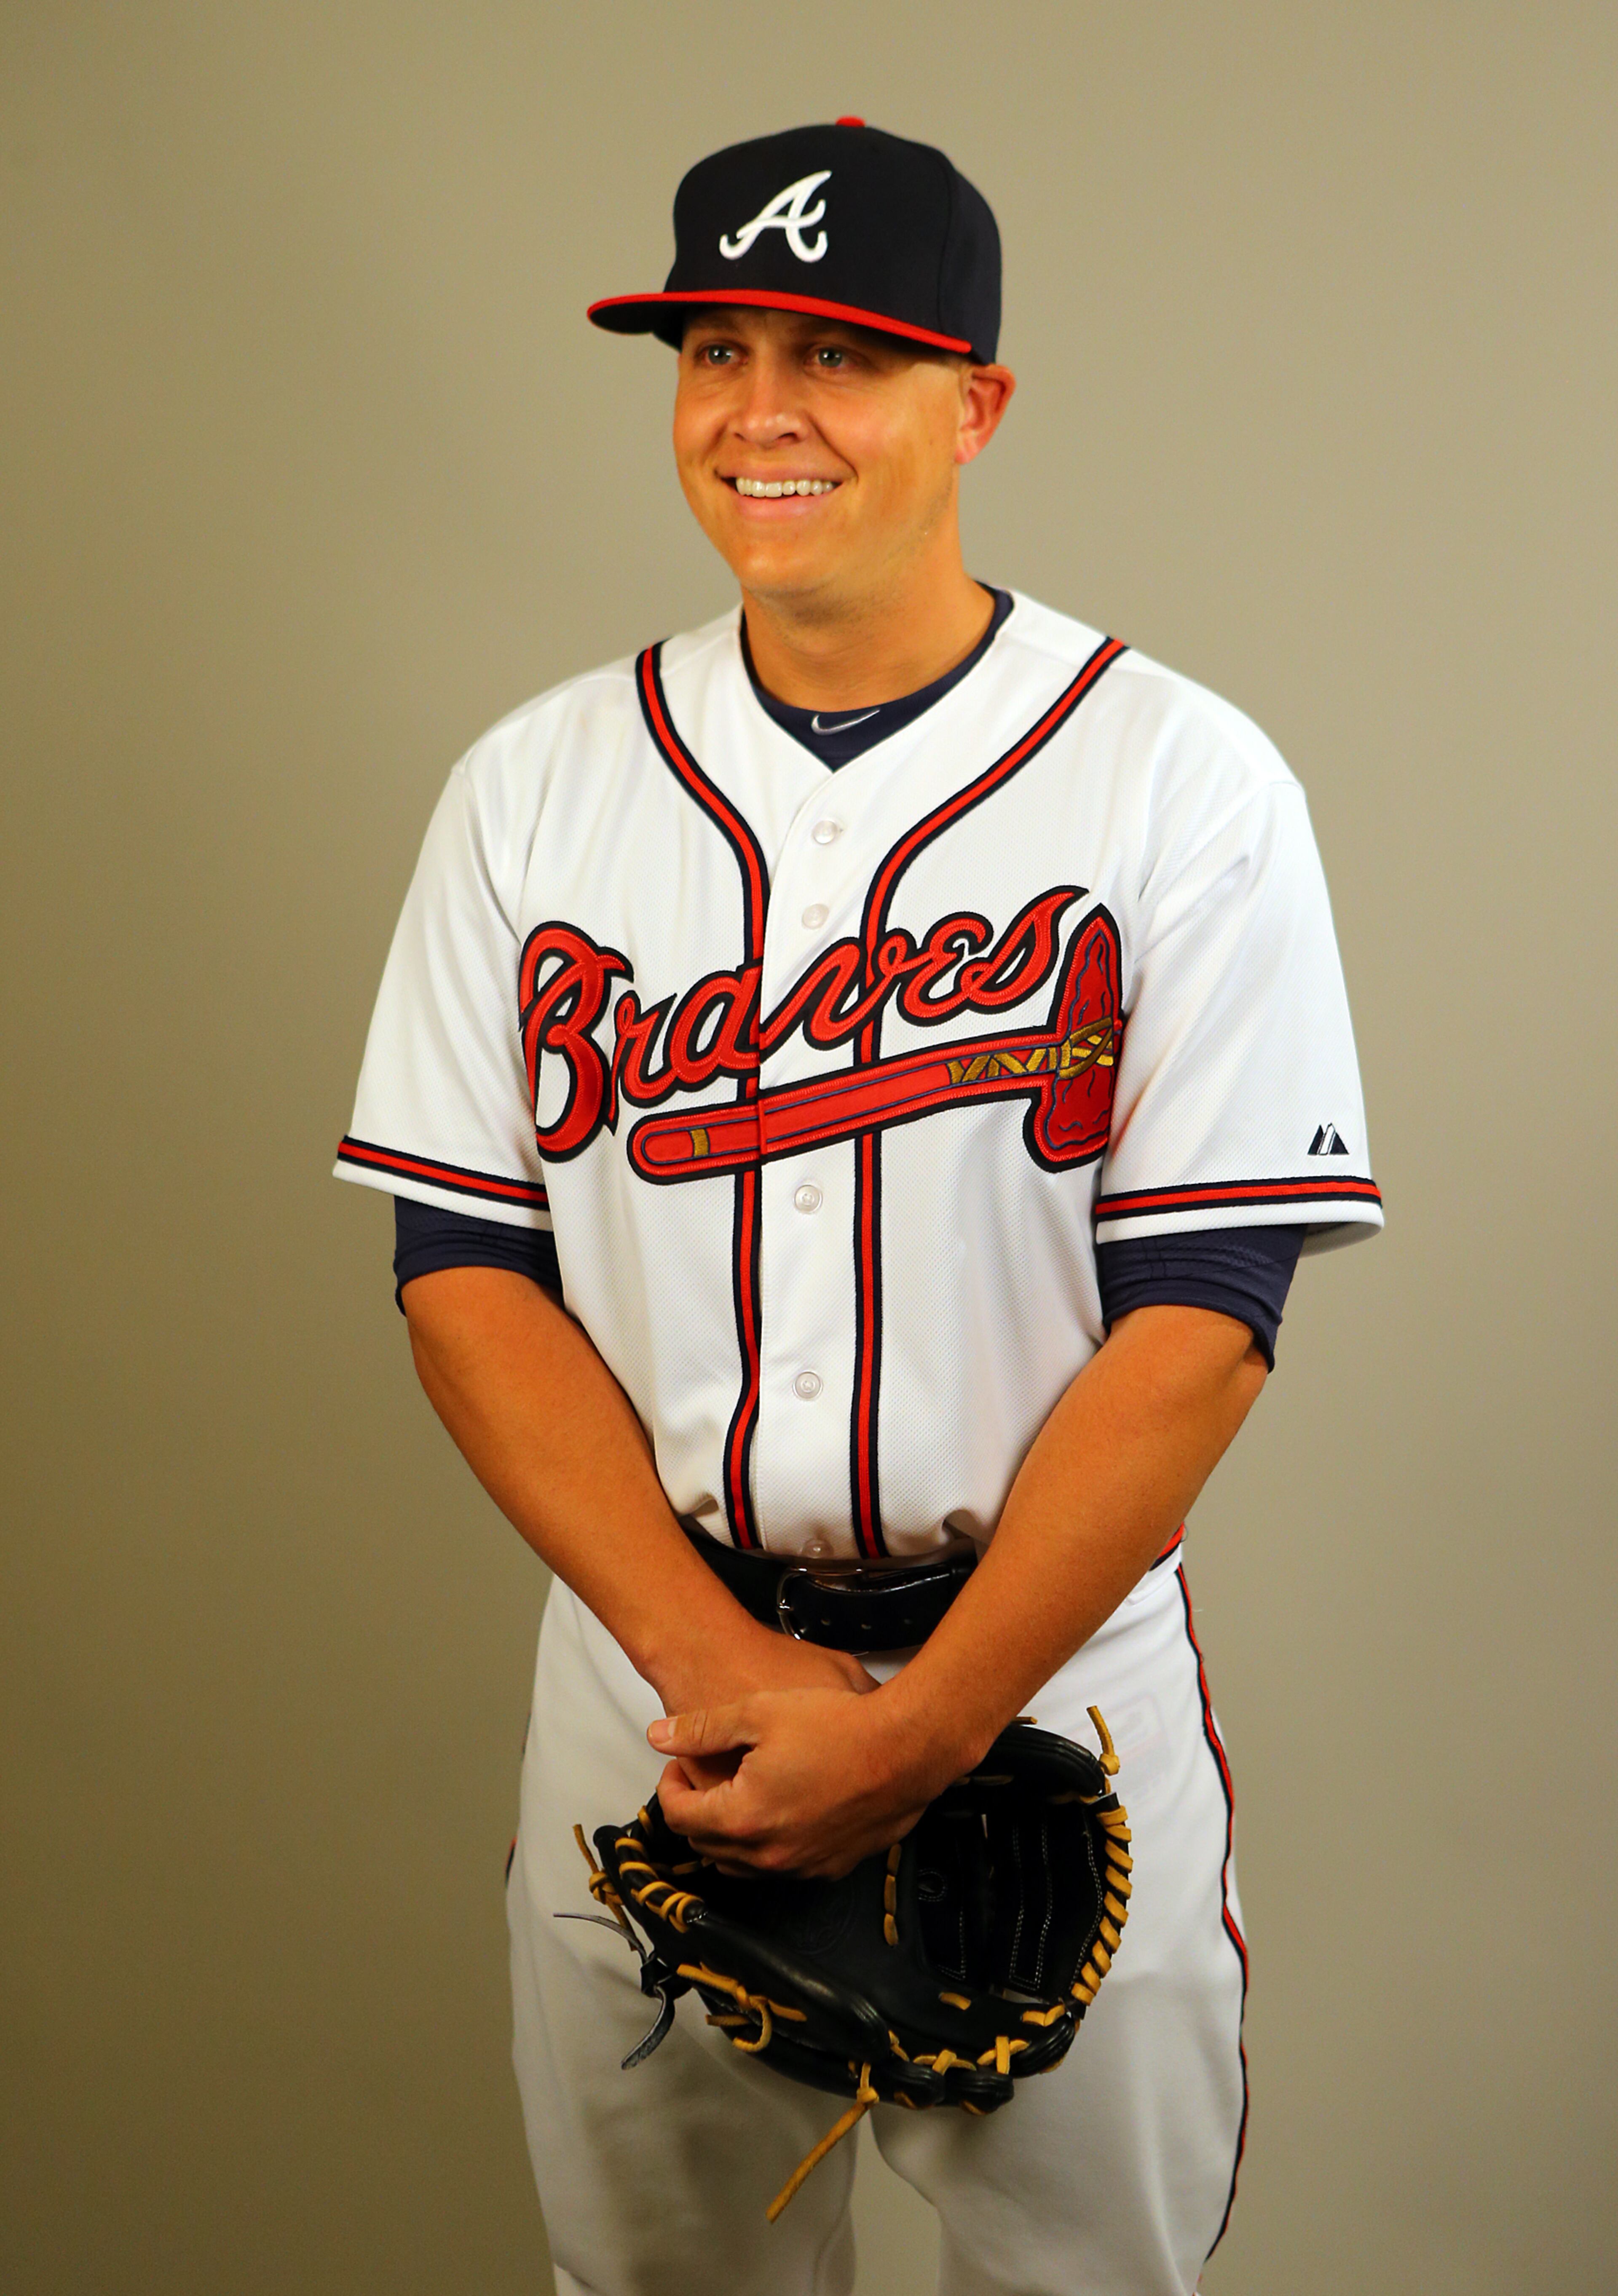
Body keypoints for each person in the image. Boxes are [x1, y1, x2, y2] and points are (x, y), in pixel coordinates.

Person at [336, 119, 1381, 2296]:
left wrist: (920, 1730)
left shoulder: (1179, 778)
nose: (761, 411)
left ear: (977, 405)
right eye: (715, 347)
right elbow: (468, 1274)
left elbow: (1202, 1308)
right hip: (654, 1684)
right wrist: (710, 1663)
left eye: (846, 354)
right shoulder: (535, 786)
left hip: (1043, 1669)